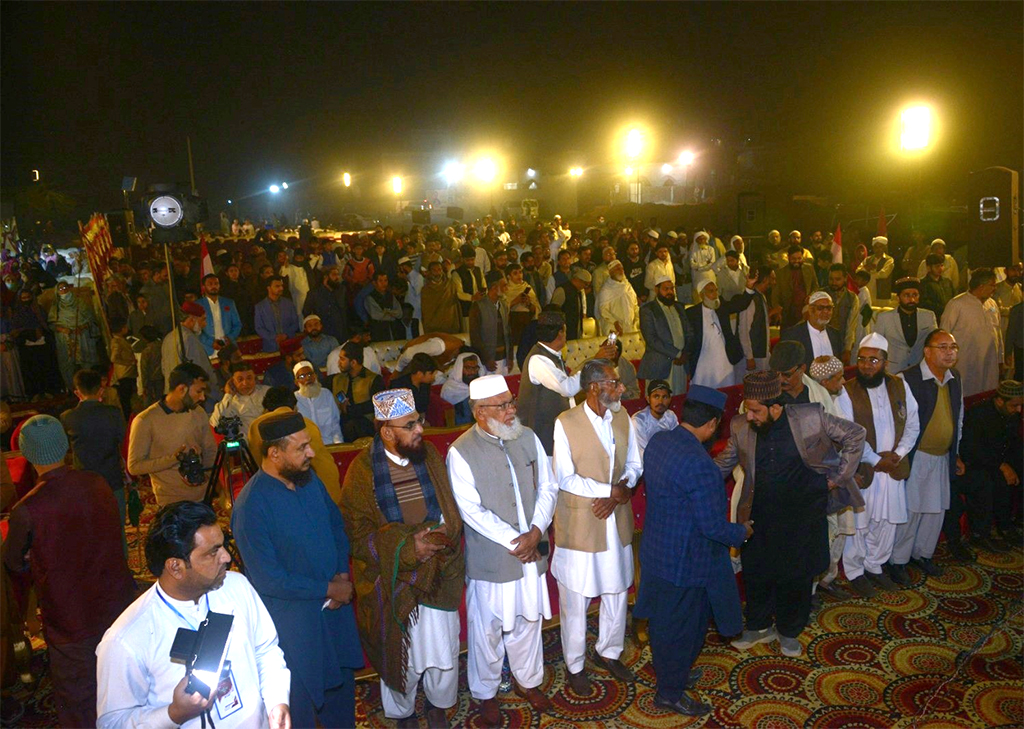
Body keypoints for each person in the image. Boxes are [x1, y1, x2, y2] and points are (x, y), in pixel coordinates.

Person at [96, 501, 291, 729]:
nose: (227, 557)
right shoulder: (126, 640)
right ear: (176, 567)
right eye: (212, 552)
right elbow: (113, 724)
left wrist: (277, 700)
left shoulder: (237, 587)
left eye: (223, 545)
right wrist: (174, 714)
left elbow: (265, 650)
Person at [716, 371, 866, 657]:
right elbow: (722, 465)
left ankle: (789, 631)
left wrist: (836, 478)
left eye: (757, 411)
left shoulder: (810, 417)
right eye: (748, 410)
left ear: (776, 408)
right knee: (757, 572)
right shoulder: (741, 426)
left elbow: (855, 434)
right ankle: (758, 626)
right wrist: (690, 477)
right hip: (759, 514)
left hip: (803, 514)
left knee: (796, 576)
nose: (750, 417)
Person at [340, 389, 465, 728]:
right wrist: (408, 550)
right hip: (393, 581)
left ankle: (439, 705)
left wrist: (437, 539)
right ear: (387, 432)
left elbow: (452, 511)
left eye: (419, 421)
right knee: (400, 654)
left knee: (443, 651)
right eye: (409, 425)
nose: (420, 429)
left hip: (439, 571)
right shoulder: (362, 472)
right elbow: (357, 536)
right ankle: (403, 712)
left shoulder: (431, 457)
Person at [231, 412, 363, 729]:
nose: (311, 453)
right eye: (302, 447)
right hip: (295, 625)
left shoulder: (309, 480)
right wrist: (328, 589)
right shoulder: (251, 506)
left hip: (334, 611)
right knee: (300, 710)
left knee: (341, 699)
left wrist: (341, 578)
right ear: (274, 453)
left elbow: (336, 526)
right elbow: (268, 579)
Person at [4, 415, 135, 729]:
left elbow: (11, 561)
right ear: (64, 446)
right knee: (122, 682)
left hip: (69, 616)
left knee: (78, 697)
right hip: (116, 602)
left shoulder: (28, 508)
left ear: (27, 455)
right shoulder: (97, 482)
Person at [446, 375, 559, 723]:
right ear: (480, 412)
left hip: (532, 549)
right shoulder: (460, 451)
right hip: (494, 559)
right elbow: (471, 511)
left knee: (528, 620)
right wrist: (517, 540)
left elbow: (548, 486)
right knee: (488, 629)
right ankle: (485, 692)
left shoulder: (527, 437)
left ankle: (529, 681)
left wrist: (537, 529)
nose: (512, 410)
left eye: (511, 403)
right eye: (504, 405)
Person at [635, 386, 750, 717]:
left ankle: (675, 673)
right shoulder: (701, 465)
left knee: (663, 625)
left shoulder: (659, 442)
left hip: (657, 553)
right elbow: (712, 527)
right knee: (685, 629)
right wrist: (741, 532)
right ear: (713, 424)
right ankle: (669, 693)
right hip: (687, 564)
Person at [551, 359, 642, 693]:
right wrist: (609, 492)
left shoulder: (622, 417)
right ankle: (575, 665)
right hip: (581, 520)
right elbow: (564, 476)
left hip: (615, 518)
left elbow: (634, 462)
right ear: (593, 388)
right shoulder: (566, 422)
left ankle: (609, 651)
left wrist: (623, 488)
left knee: (617, 589)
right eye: (613, 383)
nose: (620, 388)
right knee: (575, 596)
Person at [838, 333, 921, 598]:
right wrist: (876, 459)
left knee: (887, 522)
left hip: (892, 467)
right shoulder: (846, 390)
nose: (866, 365)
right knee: (860, 522)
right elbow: (848, 432)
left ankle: (875, 566)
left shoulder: (900, 385)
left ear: (885, 361)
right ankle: (855, 571)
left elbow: (912, 424)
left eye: (873, 360)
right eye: (862, 359)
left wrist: (898, 453)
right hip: (865, 469)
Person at [888, 329, 964, 584]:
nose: (949, 352)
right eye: (942, 347)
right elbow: (895, 422)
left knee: (936, 510)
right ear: (927, 351)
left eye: (953, 347)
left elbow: (959, 417)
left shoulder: (955, 378)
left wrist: (957, 452)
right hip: (916, 455)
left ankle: (923, 554)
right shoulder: (906, 379)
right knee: (911, 510)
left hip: (942, 457)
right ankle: (898, 560)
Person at [946, 379, 1023, 556]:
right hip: (976, 463)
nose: (1018, 410)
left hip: (997, 461)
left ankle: (1011, 524)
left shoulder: (1012, 415)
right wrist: (1001, 466)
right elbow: (971, 450)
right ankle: (981, 533)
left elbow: (1012, 443)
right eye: (1015, 406)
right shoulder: (978, 415)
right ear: (999, 401)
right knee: (990, 481)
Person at [127, 362, 217, 506]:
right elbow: (135, 466)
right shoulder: (145, 420)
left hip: (202, 496)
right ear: (182, 389)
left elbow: (210, 449)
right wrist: (174, 459)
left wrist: (207, 476)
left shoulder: (198, 412)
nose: (202, 398)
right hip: (170, 501)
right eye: (198, 391)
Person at [60, 368, 128, 534]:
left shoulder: (68, 417)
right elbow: (123, 442)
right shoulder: (113, 414)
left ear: (77, 392)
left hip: (84, 481)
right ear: (101, 390)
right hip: (112, 478)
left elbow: (65, 450)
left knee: (92, 531)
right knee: (117, 530)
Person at [248, 386, 342, 505]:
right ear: (294, 406)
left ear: (266, 409)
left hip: (295, 491)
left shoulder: (257, 426)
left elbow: (259, 462)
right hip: (330, 490)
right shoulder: (306, 422)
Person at [941, 268, 1002, 398]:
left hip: (990, 363)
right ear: (981, 286)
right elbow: (943, 334)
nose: (995, 288)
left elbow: (998, 333)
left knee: (987, 396)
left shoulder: (992, 304)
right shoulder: (957, 304)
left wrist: (1000, 359)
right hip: (965, 364)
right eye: (992, 285)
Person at [685, 280, 748, 389]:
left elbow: (740, 305)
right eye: (711, 291)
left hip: (723, 361)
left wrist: (749, 288)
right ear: (701, 295)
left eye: (716, 291)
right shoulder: (691, 313)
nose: (715, 295)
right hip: (702, 363)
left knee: (726, 391)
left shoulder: (721, 307)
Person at [638, 276, 692, 394]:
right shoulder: (648, 310)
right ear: (657, 290)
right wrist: (677, 354)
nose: (669, 292)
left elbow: (689, 333)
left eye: (671, 289)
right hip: (660, 365)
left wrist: (685, 354)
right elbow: (651, 339)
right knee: (659, 403)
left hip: (680, 364)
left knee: (679, 399)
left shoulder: (679, 307)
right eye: (665, 289)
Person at [873, 277, 937, 373]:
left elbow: (934, 343)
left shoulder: (928, 316)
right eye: (906, 295)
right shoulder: (884, 318)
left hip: (920, 371)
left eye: (915, 295)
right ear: (898, 298)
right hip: (893, 372)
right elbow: (877, 346)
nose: (911, 299)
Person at [49, 280, 100, 390]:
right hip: (65, 339)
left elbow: (91, 319)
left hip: (82, 337)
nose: (63, 291)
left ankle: (91, 387)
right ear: (57, 292)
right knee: (67, 364)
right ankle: (71, 388)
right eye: (60, 289)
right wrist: (63, 329)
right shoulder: (56, 307)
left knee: (87, 362)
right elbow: (51, 324)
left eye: (65, 288)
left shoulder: (79, 302)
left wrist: (81, 327)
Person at [332, 339, 385, 441]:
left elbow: (377, 405)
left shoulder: (373, 379)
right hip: (342, 424)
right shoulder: (337, 379)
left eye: (342, 359)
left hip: (366, 425)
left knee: (353, 424)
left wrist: (350, 409)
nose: (339, 363)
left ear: (353, 362)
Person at [770, 341, 840, 414]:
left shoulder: (818, 395)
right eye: (776, 374)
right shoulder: (768, 397)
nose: (780, 379)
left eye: (787, 375)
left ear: (802, 369)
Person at [160, 300, 216, 393]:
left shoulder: (169, 337)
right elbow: (196, 370)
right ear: (192, 319)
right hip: (188, 394)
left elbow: (164, 369)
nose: (204, 324)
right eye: (203, 319)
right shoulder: (188, 339)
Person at [779, 290, 845, 369]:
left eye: (829, 308)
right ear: (810, 310)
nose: (826, 312)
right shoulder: (792, 335)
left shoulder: (835, 334)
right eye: (820, 308)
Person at [469, 270, 512, 374]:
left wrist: (510, 357)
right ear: (494, 288)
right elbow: (475, 336)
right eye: (504, 286)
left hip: (503, 359)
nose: (507, 289)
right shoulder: (478, 307)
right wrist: (486, 359)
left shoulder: (504, 305)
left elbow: (508, 332)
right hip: (487, 362)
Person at [209, 360, 271, 434]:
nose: (245, 383)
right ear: (232, 381)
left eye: (249, 378)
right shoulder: (229, 402)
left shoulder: (268, 392)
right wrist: (228, 394)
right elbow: (216, 423)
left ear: (255, 378)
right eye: (240, 379)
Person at [294, 360, 343, 444]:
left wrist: (338, 445)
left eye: (310, 374)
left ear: (315, 376)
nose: (307, 378)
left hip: (328, 445)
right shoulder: (294, 400)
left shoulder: (326, 394)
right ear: (296, 382)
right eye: (302, 376)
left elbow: (335, 425)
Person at [738, 265, 776, 373]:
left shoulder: (761, 296)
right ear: (765, 279)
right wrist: (749, 357)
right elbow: (744, 330)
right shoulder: (751, 300)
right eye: (772, 279)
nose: (774, 282)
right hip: (754, 356)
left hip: (762, 353)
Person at [772, 246, 818, 329]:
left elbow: (815, 287)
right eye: (793, 258)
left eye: (799, 258)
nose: (796, 261)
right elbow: (775, 295)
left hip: (806, 311)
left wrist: (811, 296)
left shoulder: (809, 268)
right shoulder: (780, 273)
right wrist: (777, 311)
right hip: (788, 313)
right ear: (788, 257)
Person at [632, 379, 678, 458]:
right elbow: (642, 455)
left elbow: (677, 444)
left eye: (665, 397)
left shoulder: (671, 416)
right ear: (648, 399)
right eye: (656, 396)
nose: (660, 401)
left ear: (670, 399)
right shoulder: (639, 421)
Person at [197, 273, 241, 356]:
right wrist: (211, 342)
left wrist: (229, 338)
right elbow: (196, 329)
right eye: (210, 284)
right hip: (208, 348)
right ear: (203, 287)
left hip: (228, 346)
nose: (214, 286)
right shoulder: (198, 305)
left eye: (216, 284)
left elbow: (237, 324)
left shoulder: (229, 303)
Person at [255, 275, 301, 352]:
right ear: (269, 288)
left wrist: (286, 335)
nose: (281, 288)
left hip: (289, 344)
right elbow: (259, 328)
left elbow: (295, 323)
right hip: (270, 346)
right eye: (277, 286)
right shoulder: (260, 307)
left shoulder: (289, 303)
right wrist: (274, 337)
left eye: (281, 286)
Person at [303, 264, 348, 343]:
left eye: (338, 275)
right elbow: (306, 312)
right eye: (334, 275)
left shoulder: (341, 290)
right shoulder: (314, 294)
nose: (337, 278)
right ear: (325, 277)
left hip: (341, 333)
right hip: (324, 334)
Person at [825, 263, 860, 363]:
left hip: (841, 344)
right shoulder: (821, 294)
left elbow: (851, 325)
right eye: (831, 279)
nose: (834, 282)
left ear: (845, 279)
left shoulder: (852, 298)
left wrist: (847, 349)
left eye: (837, 279)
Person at [596, 259, 640, 335]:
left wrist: (636, 318)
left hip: (631, 327)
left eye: (621, 268)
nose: (621, 271)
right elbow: (603, 311)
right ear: (611, 272)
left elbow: (635, 305)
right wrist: (615, 322)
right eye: (617, 269)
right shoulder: (606, 290)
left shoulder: (628, 286)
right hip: (613, 328)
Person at [420, 258, 463, 334]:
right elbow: (426, 312)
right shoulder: (426, 290)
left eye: (439, 270)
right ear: (429, 272)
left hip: (450, 326)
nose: (437, 273)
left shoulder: (450, 285)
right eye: (434, 270)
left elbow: (456, 306)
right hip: (434, 329)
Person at [108, 316, 138, 419]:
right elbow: (114, 358)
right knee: (125, 398)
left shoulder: (120, 340)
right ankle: (127, 417)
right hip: (124, 373)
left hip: (127, 373)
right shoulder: (117, 341)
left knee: (127, 397)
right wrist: (129, 362)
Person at [550, 267, 591, 341]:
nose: (585, 287)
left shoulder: (579, 292)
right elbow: (553, 312)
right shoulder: (562, 290)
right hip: (563, 334)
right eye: (585, 284)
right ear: (578, 280)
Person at [440, 351, 481, 425]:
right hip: (460, 428)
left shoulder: (481, 384)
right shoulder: (450, 387)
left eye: (475, 368)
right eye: (468, 368)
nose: (472, 372)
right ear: (460, 368)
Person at [366, 271, 404, 342]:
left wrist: (387, 311)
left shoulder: (391, 296)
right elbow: (377, 315)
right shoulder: (370, 298)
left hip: (394, 330)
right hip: (378, 332)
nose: (384, 284)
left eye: (385, 280)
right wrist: (392, 316)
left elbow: (400, 313)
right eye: (380, 281)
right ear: (374, 283)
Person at [919, 253, 956, 320]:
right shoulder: (923, 284)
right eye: (937, 266)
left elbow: (954, 298)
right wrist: (943, 309)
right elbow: (925, 303)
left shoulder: (947, 282)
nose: (940, 269)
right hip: (933, 319)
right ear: (929, 268)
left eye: (941, 266)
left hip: (949, 317)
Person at [858, 236, 895, 301]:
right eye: (876, 247)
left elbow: (884, 274)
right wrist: (866, 268)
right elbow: (858, 271)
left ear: (884, 248)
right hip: (867, 291)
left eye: (880, 247)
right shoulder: (868, 259)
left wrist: (868, 273)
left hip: (881, 294)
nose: (878, 249)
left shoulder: (889, 260)